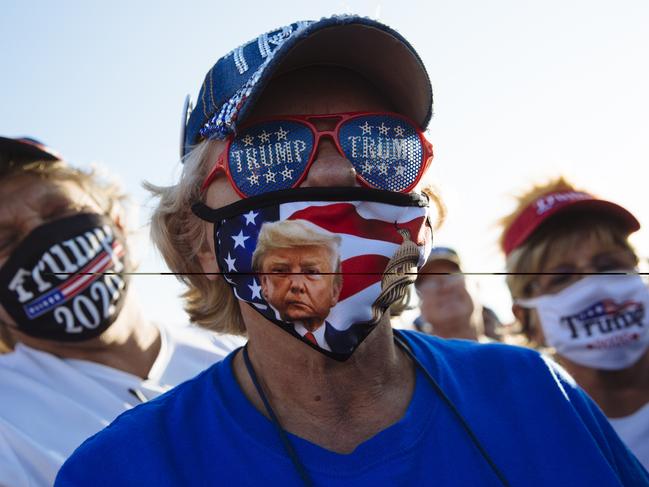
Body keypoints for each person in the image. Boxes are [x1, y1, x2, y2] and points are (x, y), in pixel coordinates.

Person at [57, 16, 648, 486]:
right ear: (196, 239)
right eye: (268, 154)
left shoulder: (538, 394)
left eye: (380, 145)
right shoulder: (119, 471)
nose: (336, 169)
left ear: (417, 216)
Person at [0, 136, 243, 487]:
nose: (42, 238)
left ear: (115, 221)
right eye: (5, 241)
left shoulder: (232, 354)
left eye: (60, 212)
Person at [500, 177, 649, 469]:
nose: (595, 286)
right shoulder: (521, 442)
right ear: (527, 319)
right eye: (562, 278)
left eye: (609, 266)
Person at [252, 219, 345, 352]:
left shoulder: (351, 347)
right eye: (281, 270)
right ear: (264, 283)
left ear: (335, 291)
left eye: (311, 272)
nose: (296, 284)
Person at [414, 246, 502, 341]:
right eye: (430, 281)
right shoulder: (410, 355)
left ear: (476, 285)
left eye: (452, 275)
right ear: (420, 304)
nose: (445, 288)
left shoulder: (511, 353)